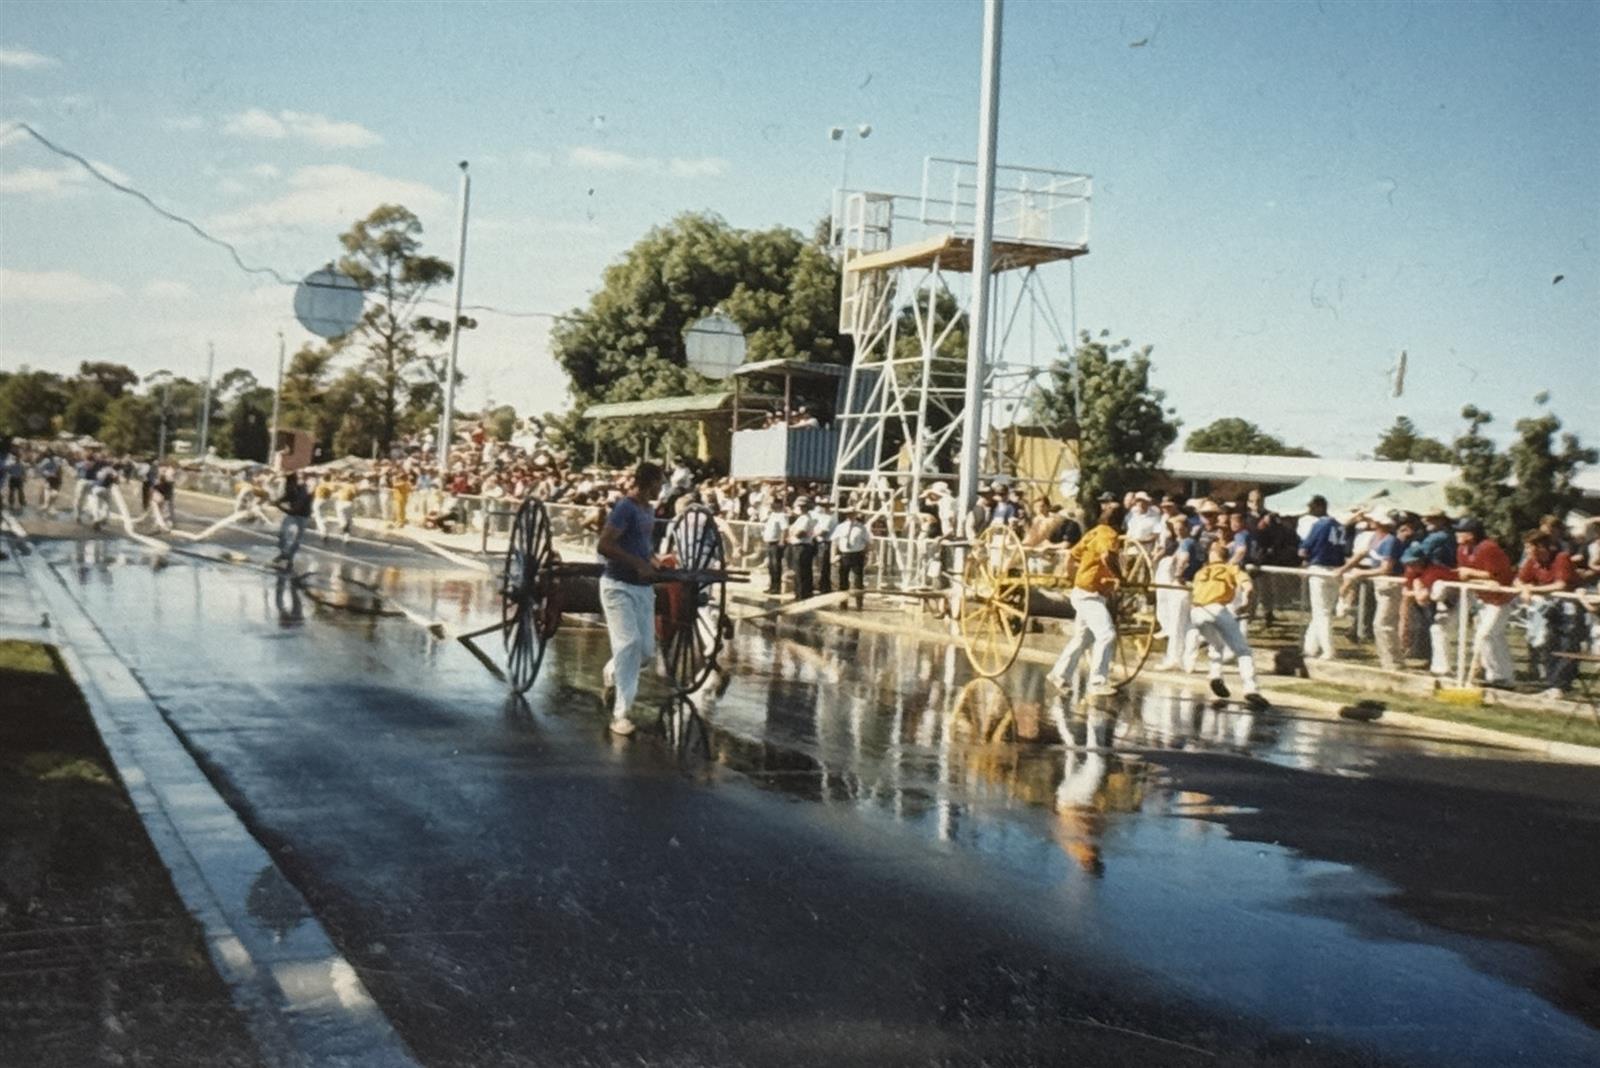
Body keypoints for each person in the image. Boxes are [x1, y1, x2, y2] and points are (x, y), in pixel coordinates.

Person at [597, 462, 666, 737]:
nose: (661, 488)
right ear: (648, 482)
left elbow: (642, 546)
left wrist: (651, 560)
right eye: (659, 483)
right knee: (630, 643)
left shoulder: (648, 510)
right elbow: (604, 544)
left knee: (646, 651)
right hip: (618, 586)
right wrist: (637, 562)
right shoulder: (625, 507)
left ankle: (613, 670)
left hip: (642, 588)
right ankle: (620, 715)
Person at [1046, 500, 1125, 697]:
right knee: (1107, 634)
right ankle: (1098, 680)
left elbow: (1073, 555)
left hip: (1083, 590)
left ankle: (1059, 674)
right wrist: (1119, 577)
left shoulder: (1093, 532)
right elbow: (1108, 557)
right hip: (1090, 594)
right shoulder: (1110, 534)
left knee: (1083, 638)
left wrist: (1073, 575)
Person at [1188, 540, 1269, 707]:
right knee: (1243, 650)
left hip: (1196, 612)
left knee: (1216, 645)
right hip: (1217, 608)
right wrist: (1246, 602)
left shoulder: (1200, 572)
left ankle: (1216, 675)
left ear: (1212, 555)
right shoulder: (1231, 568)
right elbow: (1248, 586)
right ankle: (1251, 689)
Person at [1515, 530, 1580, 697]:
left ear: (1542, 547)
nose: (1528, 551)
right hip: (1550, 608)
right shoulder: (1533, 561)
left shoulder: (1561, 558)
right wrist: (1524, 589)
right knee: (1549, 643)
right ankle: (1552, 684)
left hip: (1569, 607)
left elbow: (1561, 585)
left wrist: (1533, 589)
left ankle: (1562, 686)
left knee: (1566, 644)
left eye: (1530, 547)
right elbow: (1518, 579)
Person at [1339, 511, 1406, 670]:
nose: (1370, 521)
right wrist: (1344, 569)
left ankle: (1393, 662)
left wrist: (1361, 573)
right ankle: (1387, 660)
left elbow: (1386, 568)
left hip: (1391, 585)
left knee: (1383, 623)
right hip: (1379, 584)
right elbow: (1362, 554)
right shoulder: (1374, 538)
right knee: (1379, 624)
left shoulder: (1390, 541)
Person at [1453, 518, 1515, 687]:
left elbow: (1496, 574)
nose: (1457, 534)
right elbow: (1462, 574)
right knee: (1494, 637)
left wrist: (1470, 573)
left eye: (1461, 531)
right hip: (1482, 597)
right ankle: (1502, 676)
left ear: (1472, 534)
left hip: (1500, 597)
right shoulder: (1462, 549)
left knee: (1486, 635)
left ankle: (1498, 675)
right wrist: (1470, 576)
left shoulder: (1488, 547)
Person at [1298, 494, 1348, 660]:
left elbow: (1304, 549)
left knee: (1322, 613)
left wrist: (1304, 553)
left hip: (1319, 568)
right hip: (1336, 568)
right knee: (1322, 611)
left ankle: (1329, 650)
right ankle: (1310, 647)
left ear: (1320, 507)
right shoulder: (1340, 526)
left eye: (1312, 507)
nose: (1310, 510)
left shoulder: (1319, 524)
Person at [830, 505, 872, 609]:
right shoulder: (840, 527)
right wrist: (833, 556)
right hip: (844, 555)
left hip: (857, 554)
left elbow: (868, 543)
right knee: (843, 580)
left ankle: (859, 604)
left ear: (856, 515)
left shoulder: (861, 527)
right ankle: (843, 603)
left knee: (858, 581)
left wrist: (865, 554)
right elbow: (834, 542)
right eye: (848, 514)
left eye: (852, 514)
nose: (850, 516)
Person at [273, 473, 313, 567]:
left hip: (303, 516)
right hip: (293, 514)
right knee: (282, 533)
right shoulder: (291, 488)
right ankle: (284, 553)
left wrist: (278, 505)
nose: (287, 486)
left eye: (288, 484)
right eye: (286, 484)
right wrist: (278, 500)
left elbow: (294, 511)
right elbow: (287, 496)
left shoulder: (303, 491)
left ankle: (290, 557)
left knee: (297, 538)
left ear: (294, 483)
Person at [788, 496, 818, 600]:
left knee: (801, 572)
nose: (800, 508)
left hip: (802, 546)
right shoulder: (801, 518)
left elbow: (800, 533)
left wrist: (792, 532)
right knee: (800, 571)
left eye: (802, 506)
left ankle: (802, 594)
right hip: (799, 546)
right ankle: (801, 593)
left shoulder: (805, 518)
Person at [761, 498, 788, 595]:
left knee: (776, 565)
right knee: (771, 566)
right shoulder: (772, 515)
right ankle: (772, 585)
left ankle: (776, 587)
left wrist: (782, 541)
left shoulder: (782, 516)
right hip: (769, 542)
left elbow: (784, 529)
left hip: (776, 543)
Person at [811, 497, 837, 595]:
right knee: (820, 565)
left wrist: (812, 535)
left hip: (825, 542)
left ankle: (825, 586)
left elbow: (823, 532)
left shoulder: (830, 517)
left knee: (824, 566)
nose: (824, 508)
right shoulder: (823, 516)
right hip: (820, 542)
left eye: (826, 506)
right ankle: (822, 584)